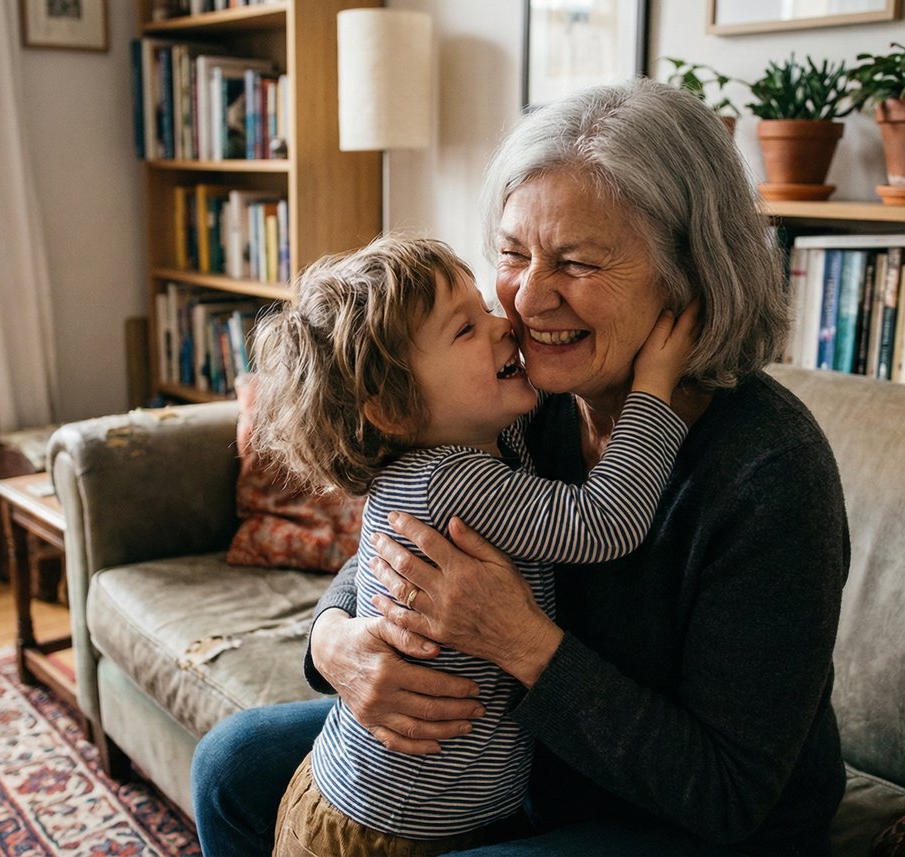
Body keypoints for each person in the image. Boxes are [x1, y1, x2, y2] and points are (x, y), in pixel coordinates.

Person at [192, 77, 850, 856]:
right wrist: (336, 639)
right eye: (511, 253)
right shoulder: (518, 393)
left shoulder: (771, 471)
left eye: (574, 262)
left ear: (691, 276)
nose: (529, 300)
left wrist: (522, 641)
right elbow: (407, 525)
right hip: (532, 747)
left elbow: (728, 790)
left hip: (693, 813)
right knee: (231, 765)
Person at [244, 234, 695, 856]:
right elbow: (603, 522)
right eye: (465, 330)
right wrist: (654, 392)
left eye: (483, 306)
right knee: (228, 762)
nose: (504, 325)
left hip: (390, 803)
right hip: (391, 830)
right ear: (394, 412)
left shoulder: (459, 443)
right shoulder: (451, 475)